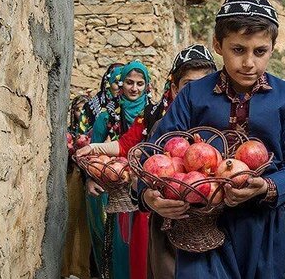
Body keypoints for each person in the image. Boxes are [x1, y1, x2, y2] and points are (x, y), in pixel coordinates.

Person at [141, 0, 285, 278]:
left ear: (272, 47)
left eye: (260, 52)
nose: (249, 62)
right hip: (199, 225)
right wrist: (147, 196)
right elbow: (156, 153)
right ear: (218, 44)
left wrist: (266, 186)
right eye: (239, 50)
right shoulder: (193, 96)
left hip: (262, 229)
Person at [76, 45, 218, 279]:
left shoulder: (222, 121)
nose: (195, 93)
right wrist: (94, 147)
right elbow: (126, 144)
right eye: (188, 86)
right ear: (174, 87)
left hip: (211, 221)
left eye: (204, 85)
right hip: (162, 216)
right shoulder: (155, 117)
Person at [87, 60, 151, 279]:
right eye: (130, 82)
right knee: (119, 241)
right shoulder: (107, 116)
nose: (134, 88)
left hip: (146, 188)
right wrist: (91, 178)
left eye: (140, 83)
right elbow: (92, 150)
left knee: (146, 243)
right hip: (116, 189)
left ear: (147, 86)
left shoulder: (154, 115)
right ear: (121, 83)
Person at [62, 95, 92, 279]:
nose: (80, 113)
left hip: (89, 179)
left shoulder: (94, 133)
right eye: (77, 109)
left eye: (84, 109)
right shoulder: (68, 133)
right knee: (70, 220)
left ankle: (81, 269)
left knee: (86, 225)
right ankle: (66, 269)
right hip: (72, 177)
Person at [78, 63, 124, 135]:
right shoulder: (90, 107)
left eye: (124, 83)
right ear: (108, 82)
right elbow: (81, 136)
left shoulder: (130, 106)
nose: (120, 86)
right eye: (117, 83)